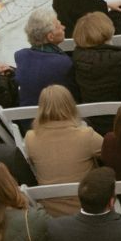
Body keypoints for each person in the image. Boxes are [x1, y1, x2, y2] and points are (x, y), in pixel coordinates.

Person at [22, 84, 103, 216]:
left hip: (50, 211)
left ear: (41, 108)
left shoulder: (30, 138)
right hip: (87, 206)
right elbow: (110, 153)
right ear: (70, 105)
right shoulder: (86, 135)